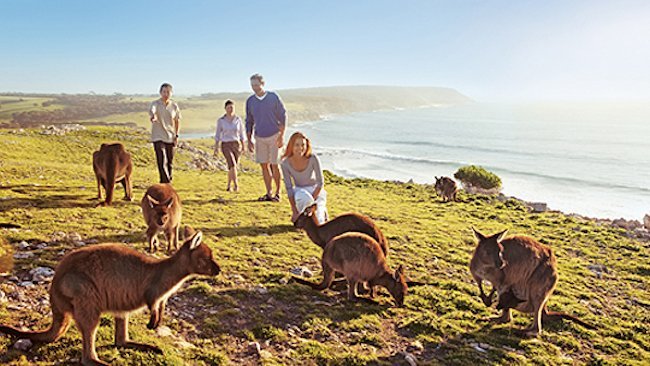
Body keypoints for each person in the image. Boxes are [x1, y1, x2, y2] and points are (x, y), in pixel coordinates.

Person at [245, 73, 286, 202]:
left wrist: (281, 136)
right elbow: (249, 121)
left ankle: (278, 193)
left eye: (256, 85)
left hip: (274, 135)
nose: (254, 88)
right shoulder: (250, 101)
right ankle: (268, 193)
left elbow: (283, 116)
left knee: (275, 165)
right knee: (264, 165)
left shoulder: (273, 97)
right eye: (252, 85)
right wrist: (249, 139)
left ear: (263, 84)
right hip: (259, 137)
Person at [281, 132, 328, 224]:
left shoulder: (313, 158)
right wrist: (295, 212)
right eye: (297, 145)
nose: (300, 148)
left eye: (303, 145)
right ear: (291, 146)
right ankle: (309, 212)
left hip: (316, 191)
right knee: (303, 197)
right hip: (300, 192)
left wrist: (313, 201)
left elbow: (320, 183)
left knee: (320, 222)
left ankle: (321, 211)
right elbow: (289, 188)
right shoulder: (285, 163)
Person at [149, 83, 181, 183]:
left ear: (171, 93)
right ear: (160, 92)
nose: (166, 94)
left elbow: (177, 121)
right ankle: (166, 182)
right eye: (164, 92)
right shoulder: (155, 103)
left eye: (168, 92)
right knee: (162, 160)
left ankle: (167, 180)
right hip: (158, 136)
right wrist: (153, 116)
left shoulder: (174, 106)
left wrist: (176, 135)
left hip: (170, 136)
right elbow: (152, 110)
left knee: (170, 162)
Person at [214, 100, 246, 191]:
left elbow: (241, 133)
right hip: (226, 144)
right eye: (228, 108)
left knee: (232, 166)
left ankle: (228, 185)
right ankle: (236, 185)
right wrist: (216, 147)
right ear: (225, 109)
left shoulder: (238, 120)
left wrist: (243, 145)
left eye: (232, 107)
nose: (230, 109)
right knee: (233, 165)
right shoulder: (221, 120)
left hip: (236, 144)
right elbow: (217, 134)